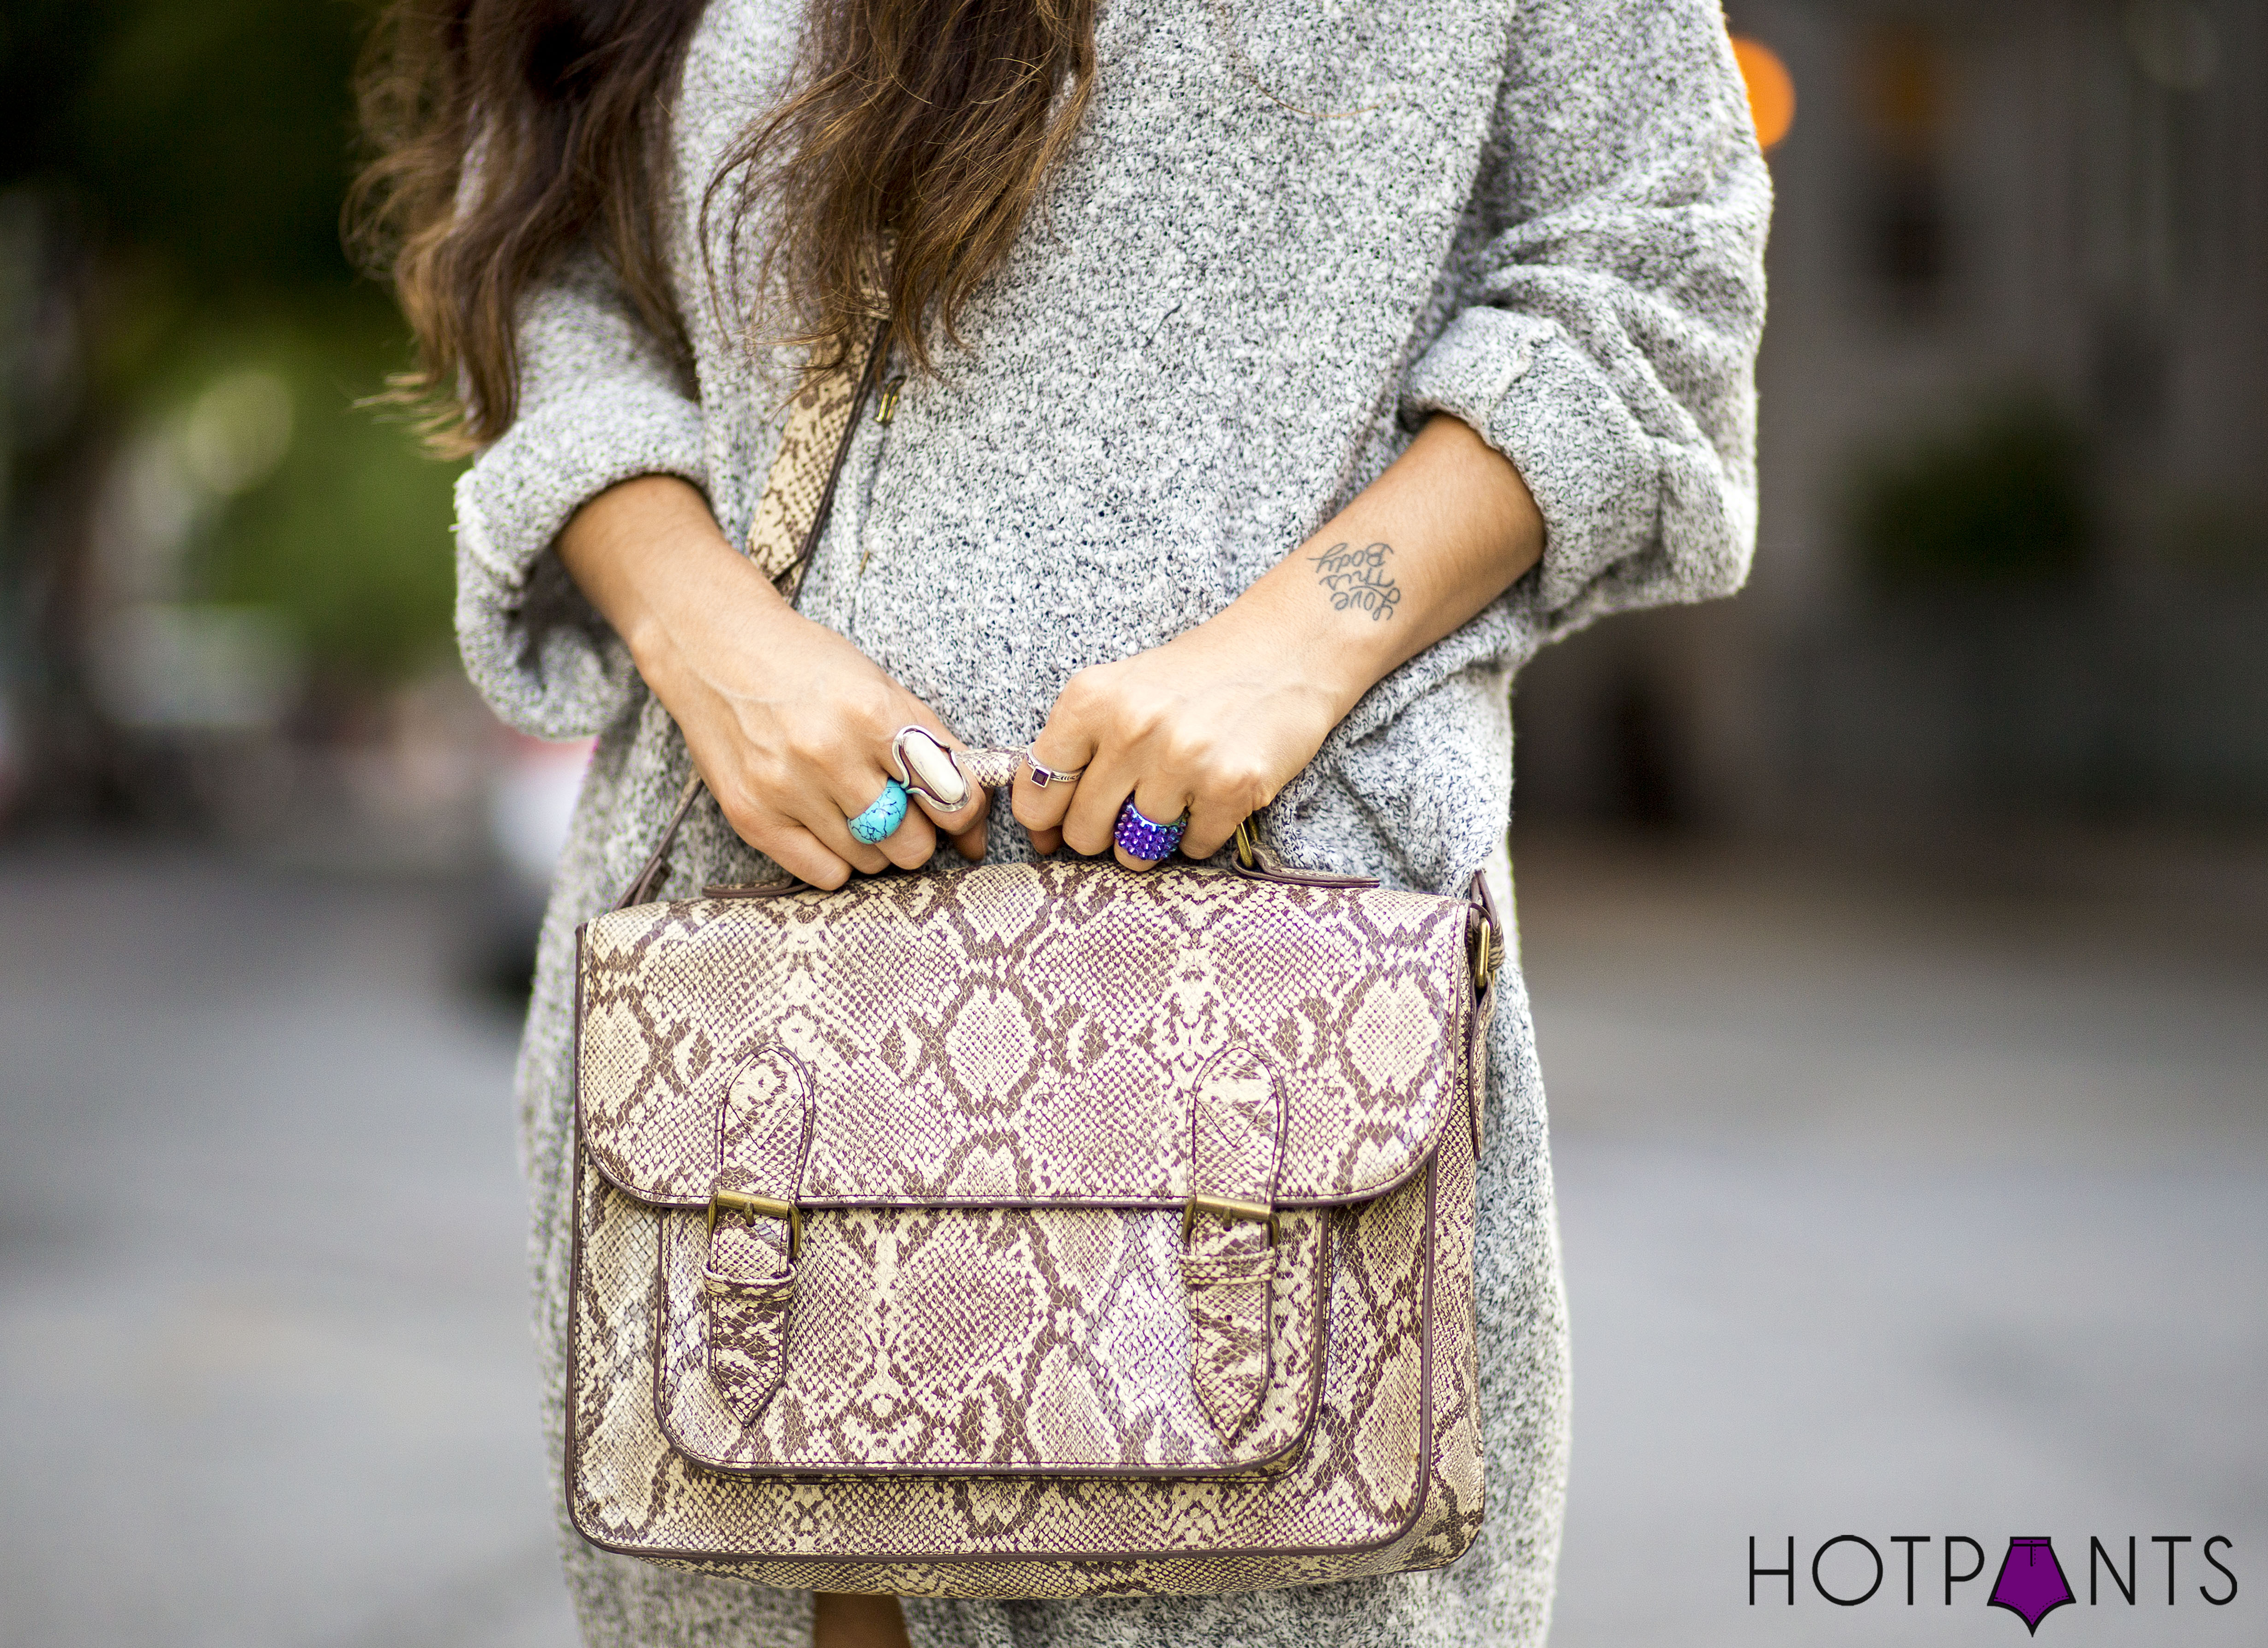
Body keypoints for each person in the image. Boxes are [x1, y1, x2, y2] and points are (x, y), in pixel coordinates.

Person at [355, 0, 1766, 1643]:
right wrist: (697, 626)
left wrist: (1305, 638)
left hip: (1265, 1043)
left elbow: (1645, 277)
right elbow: (546, 250)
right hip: (751, 1040)